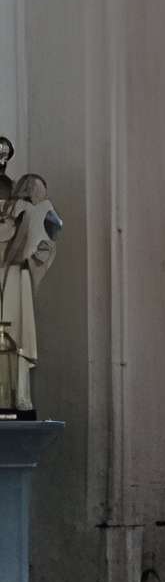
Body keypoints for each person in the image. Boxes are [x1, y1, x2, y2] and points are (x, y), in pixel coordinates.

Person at [0, 170, 62, 417]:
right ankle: (6, 397)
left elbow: (49, 238)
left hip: (18, 279)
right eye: (38, 189)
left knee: (20, 340)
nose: (41, 194)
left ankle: (19, 395)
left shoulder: (33, 212)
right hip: (9, 277)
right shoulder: (16, 212)